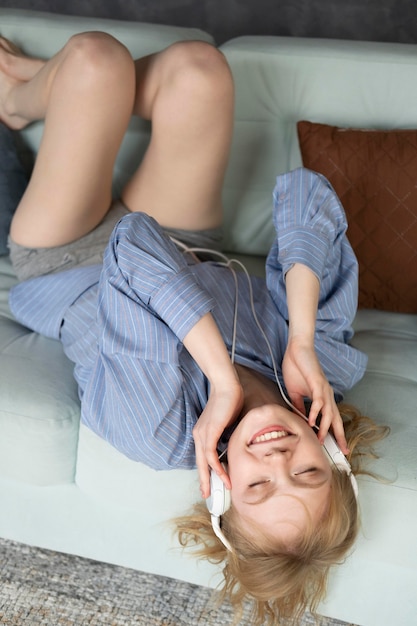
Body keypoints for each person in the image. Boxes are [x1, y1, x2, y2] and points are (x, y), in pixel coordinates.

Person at [0, 32, 387, 625]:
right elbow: (308, 194)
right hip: (183, 241)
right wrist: (303, 338)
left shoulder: (154, 429)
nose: (279, 458)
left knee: (94, 60)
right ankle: (47, 83)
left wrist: (223, 382)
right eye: (306, 472)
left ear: (222, 489)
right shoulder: (317, 375)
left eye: (259, 488)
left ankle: (24, 101)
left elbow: (129, 249)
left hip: (71, 258)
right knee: (200, 69)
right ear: (330, 451)